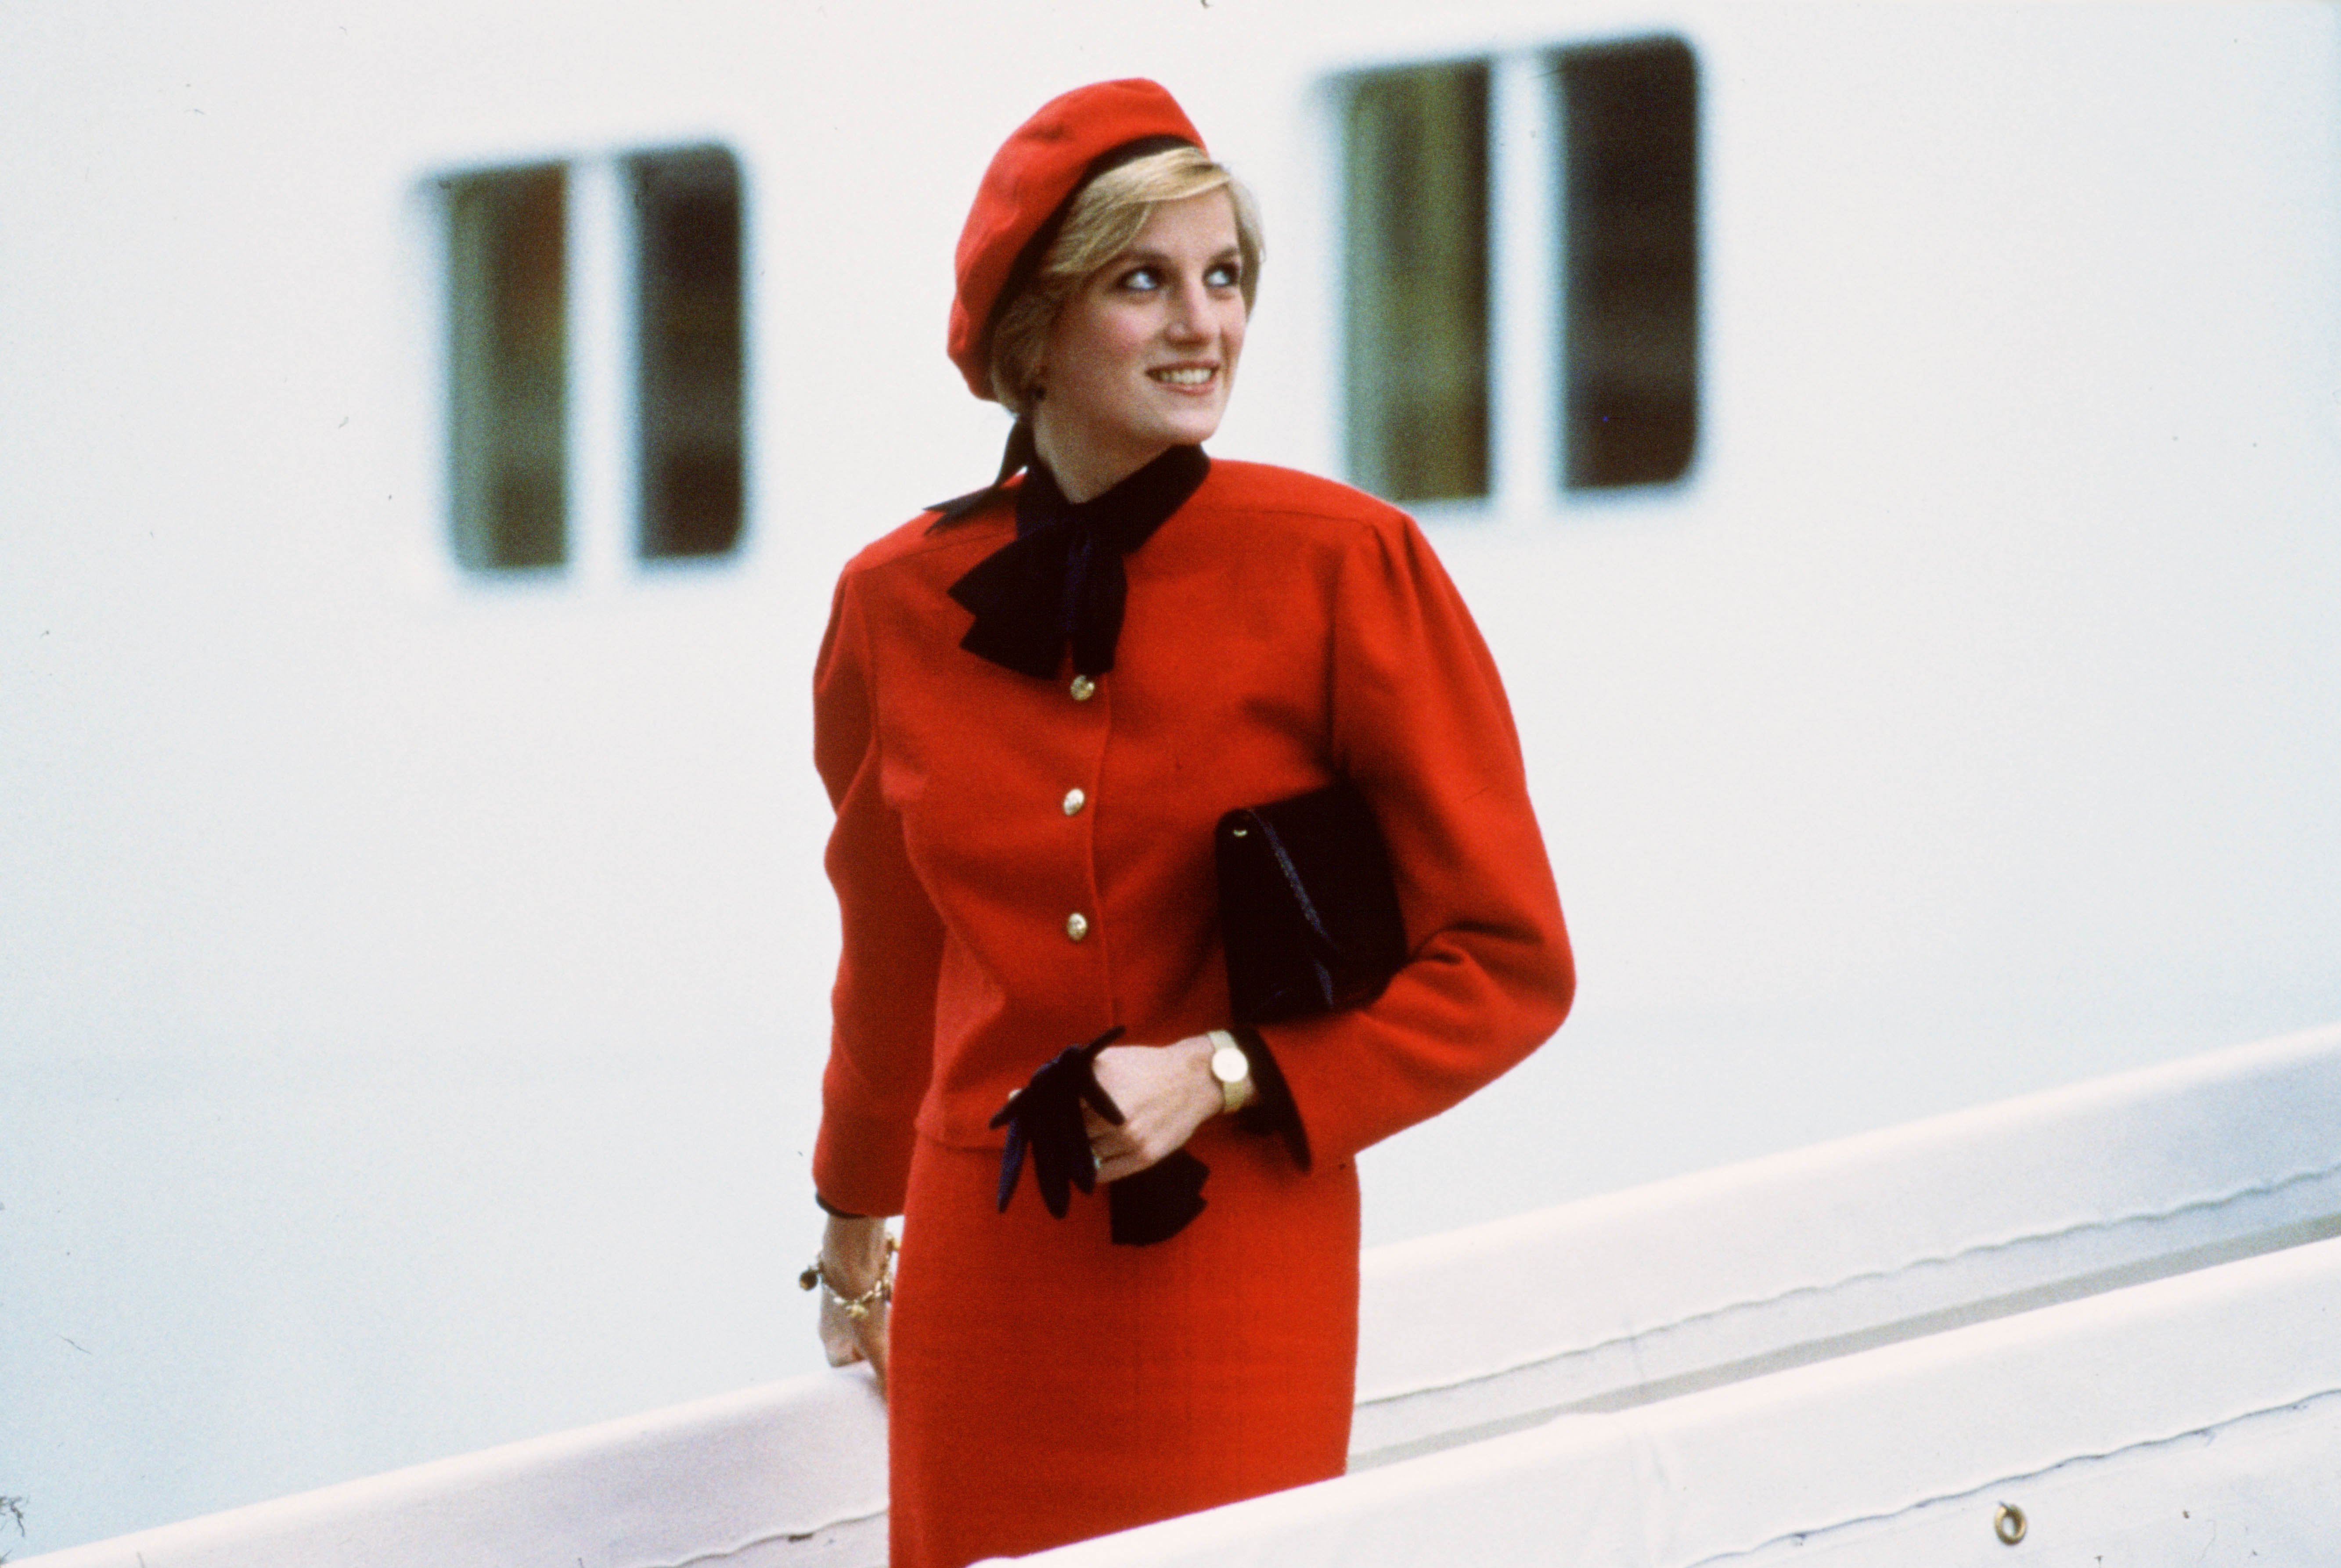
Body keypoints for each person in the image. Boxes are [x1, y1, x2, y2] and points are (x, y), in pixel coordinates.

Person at [801, 78, 1573, 1568]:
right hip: (984, 1285)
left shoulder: (1348, 567)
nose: (1201, 325)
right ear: (1031, 331)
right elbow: (890, 961)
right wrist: (849, 1229)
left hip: (1239, 1276)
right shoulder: (890, 608)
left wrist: (1226, 1071)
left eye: (1224, 279)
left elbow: (1511, 961)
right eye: (1141, 281)